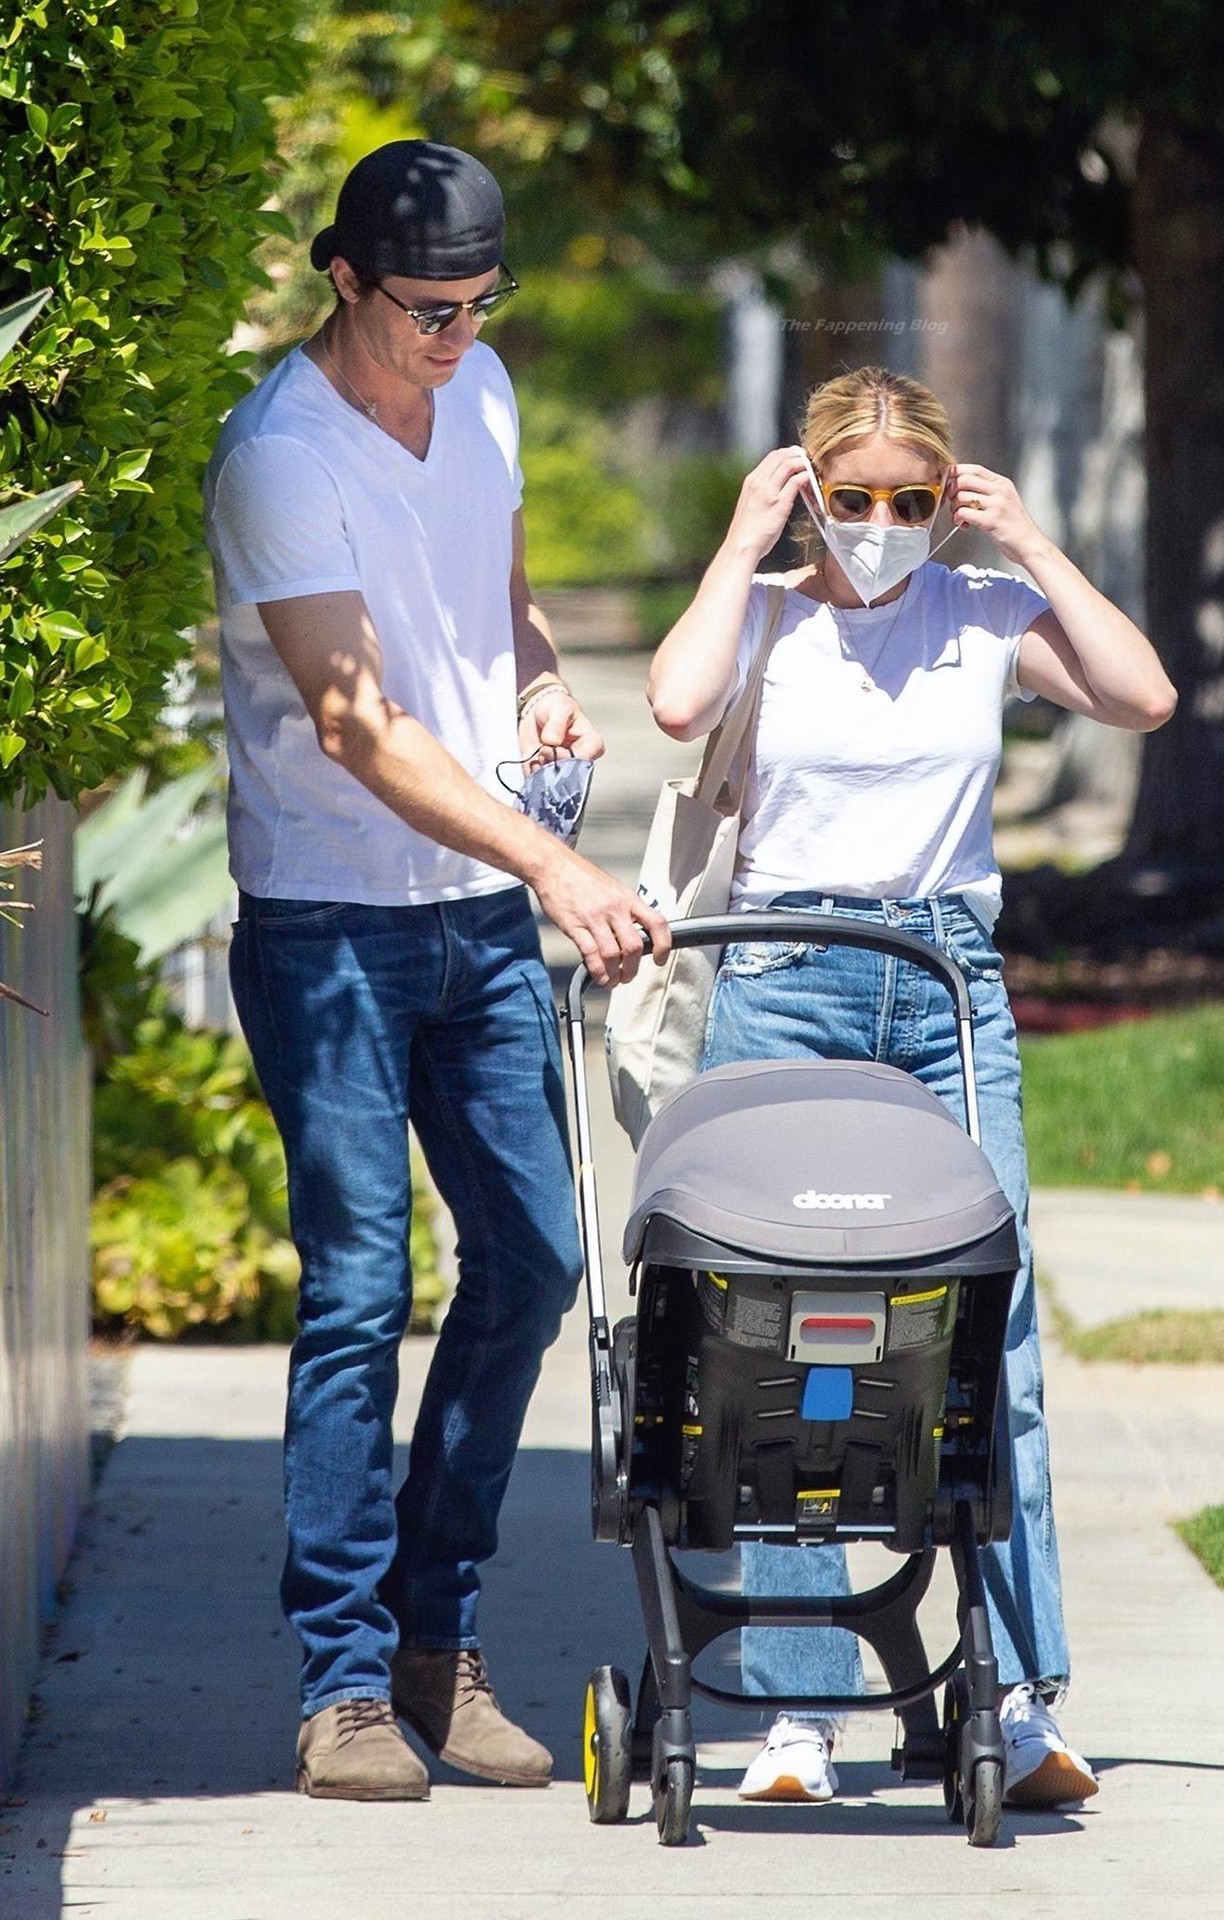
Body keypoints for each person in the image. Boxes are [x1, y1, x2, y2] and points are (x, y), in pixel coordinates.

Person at [203, 140, 667, 1801]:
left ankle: (433, 1634)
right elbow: (356, 721)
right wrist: (554, 862)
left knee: (535, 1261)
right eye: (426, 310)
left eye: (481, 304)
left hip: (472, 915)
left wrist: (538, 680)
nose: (457, 337)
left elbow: (500, 597)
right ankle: (340, 1684)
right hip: (330, 917)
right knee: (353, 1289)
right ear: (345, 279)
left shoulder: (485, 396)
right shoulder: (280, 456)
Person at [647, 365, 1175, 1810]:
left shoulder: (984, 610)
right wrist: (743, 540)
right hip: (782, 976)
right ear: (812, 489)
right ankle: (800, 1713)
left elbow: (1142, 695)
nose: (882, 523)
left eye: (912, 498)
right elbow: (677, 704)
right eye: (855, 495)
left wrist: (1032, 543)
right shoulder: (767, 615)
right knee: (779, 1335)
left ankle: (1018, 1694)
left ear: (948, 499)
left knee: (991, 1335)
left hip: (945, 987)